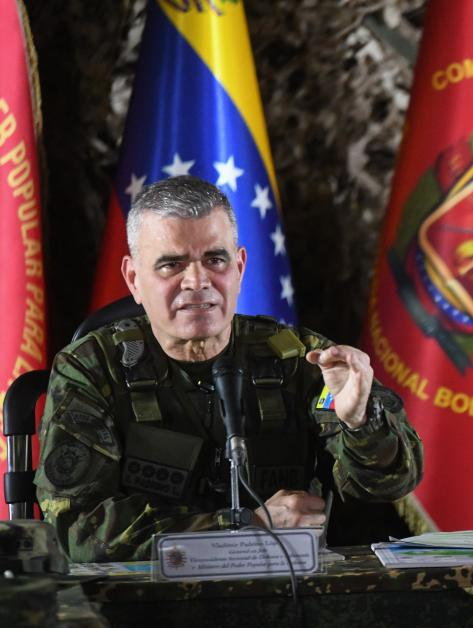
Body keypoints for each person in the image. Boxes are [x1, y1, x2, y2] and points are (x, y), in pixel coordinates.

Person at [35, 176, 424, 561]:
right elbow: (77, 529)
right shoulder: (91, 368)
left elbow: (391, 483)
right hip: (144, 609)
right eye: (171, 264)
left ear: (239, 266)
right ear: (134, 279)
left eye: (214, 259)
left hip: (282, 600)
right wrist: (244, 525)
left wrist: (360, 423)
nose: (197, 280)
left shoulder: (302, 358)